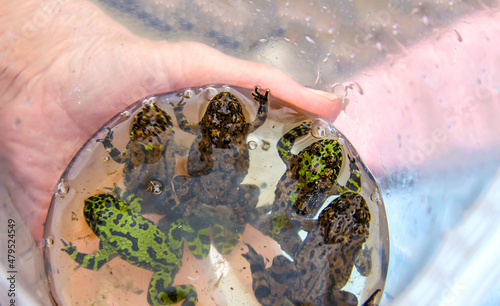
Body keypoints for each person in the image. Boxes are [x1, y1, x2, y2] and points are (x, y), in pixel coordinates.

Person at [0, 0, 343, 242]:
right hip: (209, 180)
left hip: (205, 180)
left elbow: (178, 121)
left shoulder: (194, 134)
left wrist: (32, 61)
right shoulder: (242, 128)